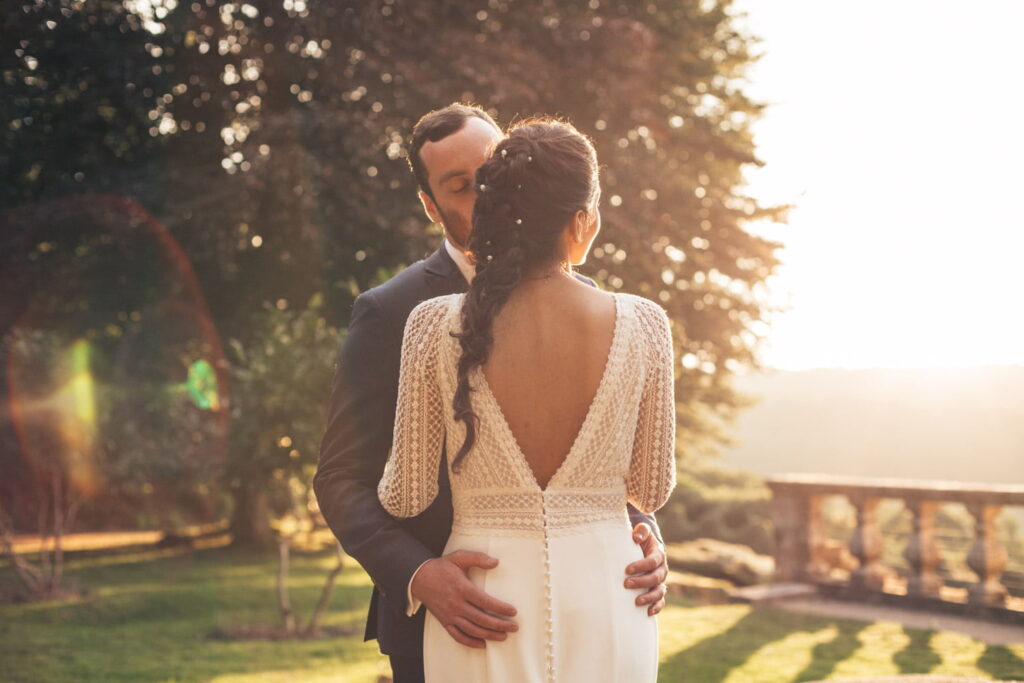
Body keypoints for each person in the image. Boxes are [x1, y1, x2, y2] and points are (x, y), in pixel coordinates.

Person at [313, 104, 669, 683]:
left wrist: (644, 538)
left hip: (600, 597)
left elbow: (618, 467)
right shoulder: (394, 313)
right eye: (461, 185)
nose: (491, 192)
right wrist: (418, 574)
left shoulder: (602, 307)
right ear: (430, 206)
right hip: (456, 619)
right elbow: (339, 476)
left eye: (495, 170)